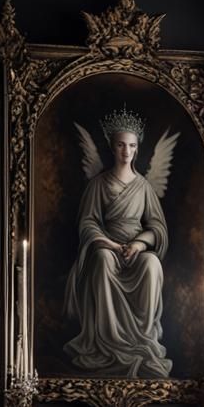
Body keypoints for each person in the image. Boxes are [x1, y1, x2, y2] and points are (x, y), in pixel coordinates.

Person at [63, 107, 172, 377]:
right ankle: (106, 341)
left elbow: (157, 226)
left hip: (136, 250)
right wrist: (110, 244)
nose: (127, 151)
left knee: (152, 264)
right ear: (112, 147)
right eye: (122, 145)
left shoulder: (144, 187)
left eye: (132, 146)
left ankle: (142, 339)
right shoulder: (99, 184)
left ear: (137, 149)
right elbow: (88, 222)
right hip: (107, 247)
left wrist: (138, 244)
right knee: (100, 260)